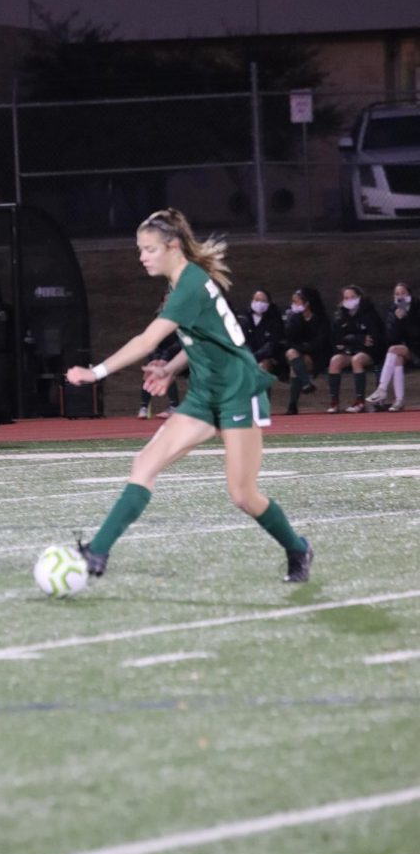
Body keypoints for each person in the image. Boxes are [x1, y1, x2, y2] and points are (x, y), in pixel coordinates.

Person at [66, 207, 313, 583]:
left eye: (148, 249)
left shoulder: (189, 285)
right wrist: (169, 368)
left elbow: (147, 340)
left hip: (237, 390)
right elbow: (202, 336)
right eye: (140, 249)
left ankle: (297, 548)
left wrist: (95, 372)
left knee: (243, 495)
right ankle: (98, 552)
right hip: (204, 392)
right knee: (144, 464)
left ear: (173, 246)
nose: (142, 257)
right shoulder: (182, 284)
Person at [326, 284, 385, 414]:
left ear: (360, 297)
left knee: (357, 360)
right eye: (346, 298)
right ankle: (334, 401)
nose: (349, 300)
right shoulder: (340, 315)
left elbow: (373, 338)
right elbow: (337, 339)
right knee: (335, 360)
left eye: (353, 297)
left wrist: (353, 340)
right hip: (349, 350)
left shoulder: (369, 313)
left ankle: (359, 401)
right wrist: (356, 339)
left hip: (370, 352)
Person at [366, 282, 420, 412]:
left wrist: (405, 319)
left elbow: (416, 334)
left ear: (410, 295)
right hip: (405, 349)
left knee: (393, 350)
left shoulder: (417, 308)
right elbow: (391, 337)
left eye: (403, 293)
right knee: (396, 357)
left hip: (417, 348)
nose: (400, 297)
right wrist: (398, 320)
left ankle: (382, 389)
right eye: (397, 294)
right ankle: (399, 400)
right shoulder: (392, 310)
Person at [283, 287, 330, 415]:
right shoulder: (295, 318)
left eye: (296, 301)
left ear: (307, 303)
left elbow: (320, 342)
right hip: (298, 353)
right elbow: (289, 339)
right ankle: (306, 384)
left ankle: (293, 404)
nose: (293, 305)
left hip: (316, 354)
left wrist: (303, 348)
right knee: (292, 356)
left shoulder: (320, 319)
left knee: (296, 365)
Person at [138, 291, 182, 419]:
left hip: (177, 352)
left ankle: (175, 406)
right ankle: (144, 407)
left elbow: (181, 341)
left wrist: (164, 358)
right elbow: (153, 339)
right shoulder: (159, 317)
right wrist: (156, 358)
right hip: (161, 352)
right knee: (151, 371)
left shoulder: (181, 317)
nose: (169, 302)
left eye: (171, 300)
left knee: (167, 371)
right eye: (166, 300)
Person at [237, 289, 286, 378]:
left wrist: (256, 356)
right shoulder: (245, 319)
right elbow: (242, 340)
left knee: (263, 368)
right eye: (256, 300)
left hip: (267, 357)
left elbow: (272, 343)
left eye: (263, 301)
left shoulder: (275, 320)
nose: (259, 303)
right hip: (248, 355)